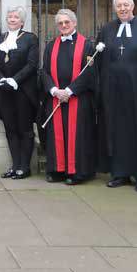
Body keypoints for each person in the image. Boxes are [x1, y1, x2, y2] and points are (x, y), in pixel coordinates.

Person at [92, 0, 137, 191]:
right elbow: (99, 60)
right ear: (115, 8)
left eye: (126, 5)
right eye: (119, 6)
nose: (122, 9)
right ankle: (119, 173)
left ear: (133, 6)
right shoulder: (107, 29)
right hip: (113, 93)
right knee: (116, 131)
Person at [39, 9, 98, 184]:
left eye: (67, 22)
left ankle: (77, 172)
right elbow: (44, 72)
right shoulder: (51, 45)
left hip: (78, 100)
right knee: (56, 135)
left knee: (77, 136)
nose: (64, 25)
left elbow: (89, 73)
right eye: (60, 23)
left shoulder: (87, 45)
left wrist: (70, 91)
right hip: (56, 97)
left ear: (74, 23)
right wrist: (54, 90)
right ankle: (57, 170)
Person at [0, 6, 39, 179]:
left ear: (22, 21)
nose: (12, 19)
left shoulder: (30, 39)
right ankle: (15, 165)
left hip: (23, 91)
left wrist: (15, 80)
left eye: (15, 17)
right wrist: (1, 79)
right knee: (10, 129)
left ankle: (24, 167)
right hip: (4, 90)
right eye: (10, 16)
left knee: (24, 129)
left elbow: (32, 64)